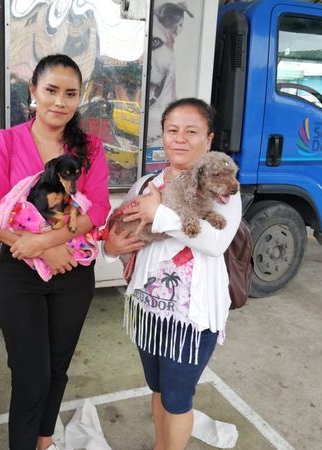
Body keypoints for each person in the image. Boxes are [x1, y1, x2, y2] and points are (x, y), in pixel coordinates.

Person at [0, 54, 110, 450]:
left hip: (73, 274)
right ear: (33, 90)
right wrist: (40, 249)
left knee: (56, 369)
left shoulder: (90, 149)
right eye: (51, 90)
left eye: (70, 94)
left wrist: (48, 241)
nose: (60, 102)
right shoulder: (6, 142)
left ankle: (44, 441)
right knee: (30, 375)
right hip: (21, 272)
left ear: (79, 98)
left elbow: (98, 210)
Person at [103, 98, 241, 450]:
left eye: (191, 131)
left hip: (191, 321)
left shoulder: (222, 191)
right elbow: (119, 231)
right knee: (159, 390)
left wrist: (159, 214)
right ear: (162, 136)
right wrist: (111, 248)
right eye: (172, 130)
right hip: (149, 313)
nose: (179, 138)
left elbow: (216, 243)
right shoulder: (147, 183)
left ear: (208, 140)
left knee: (178, 399)